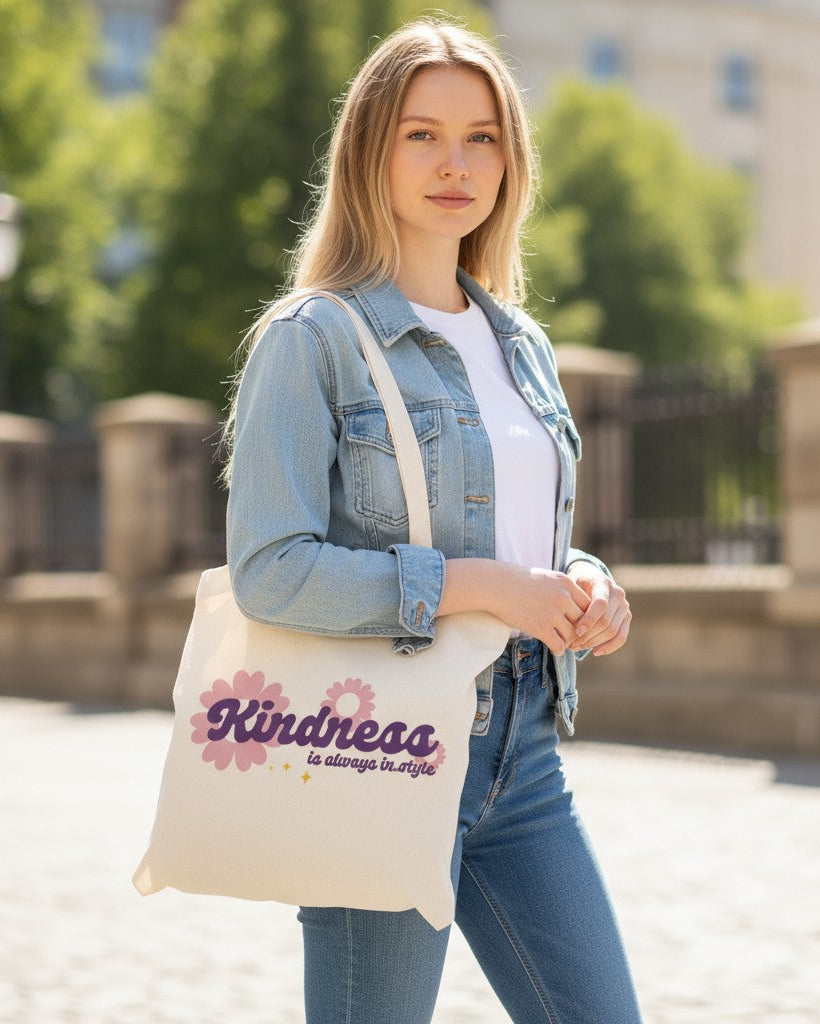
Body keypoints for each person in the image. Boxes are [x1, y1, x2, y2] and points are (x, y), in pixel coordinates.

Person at [224, 17, 642, 1024]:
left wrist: (582, 579)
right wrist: (485, 588)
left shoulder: (522, 344)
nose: (456, 163)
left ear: (510, 160)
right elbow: (269, 569)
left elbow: (512, 535)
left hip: (522, 755)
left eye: (481, 137)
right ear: (371, 148)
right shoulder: (311, 339)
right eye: (422, 134)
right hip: (377, 751)